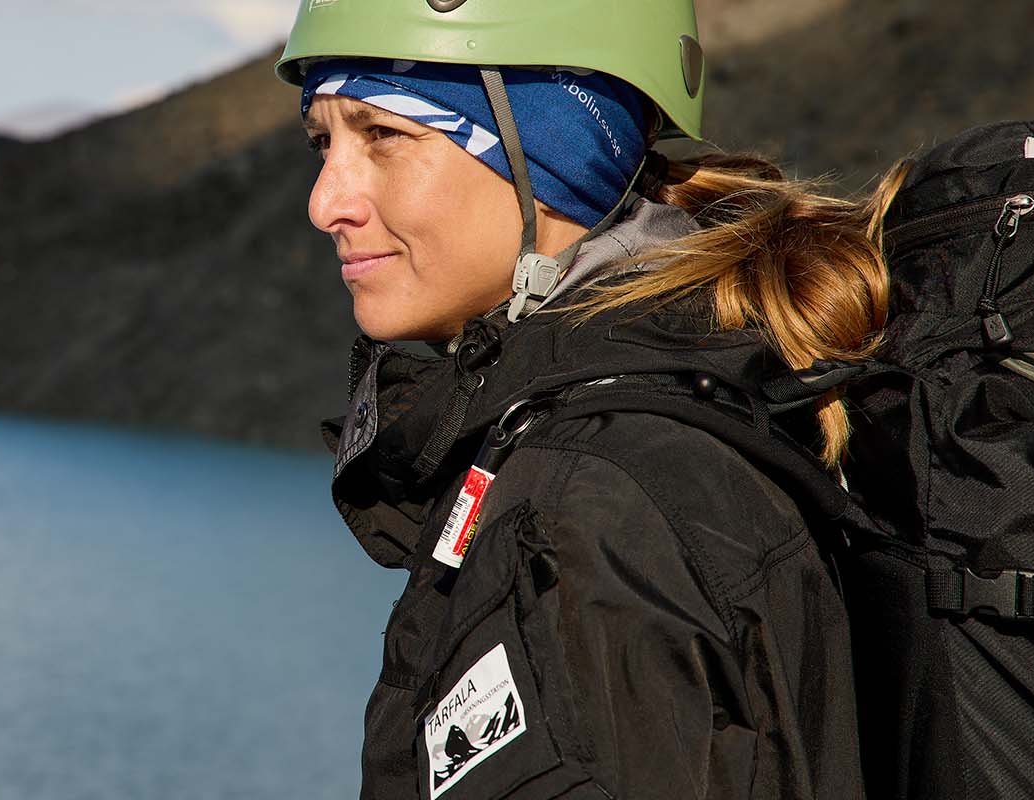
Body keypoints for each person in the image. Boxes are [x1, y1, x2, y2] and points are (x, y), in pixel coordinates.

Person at [277, 2, 900, 798]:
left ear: (551, 153)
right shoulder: (696, 391)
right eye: (323, 142)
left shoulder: (586, 508)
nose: (326, 202)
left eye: (385, 136)